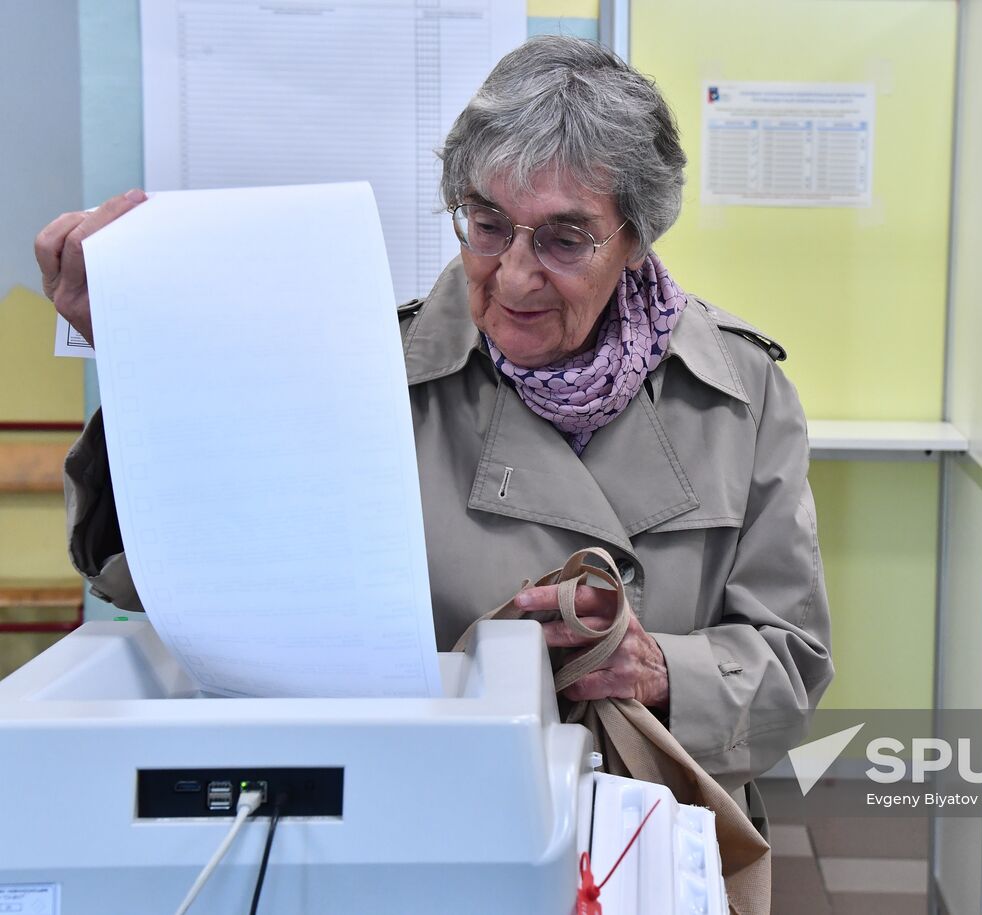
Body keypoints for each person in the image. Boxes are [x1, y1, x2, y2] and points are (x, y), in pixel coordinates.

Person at [36, 36, 833, 829]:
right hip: (431, 821)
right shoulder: (365, 371)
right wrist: (144, 362)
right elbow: (188, 583)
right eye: (488, 224)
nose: (516, 275)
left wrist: (665, 670)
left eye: (563, 238)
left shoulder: (740, 391)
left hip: (658, 825)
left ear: (634, 238)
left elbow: (793, 663)